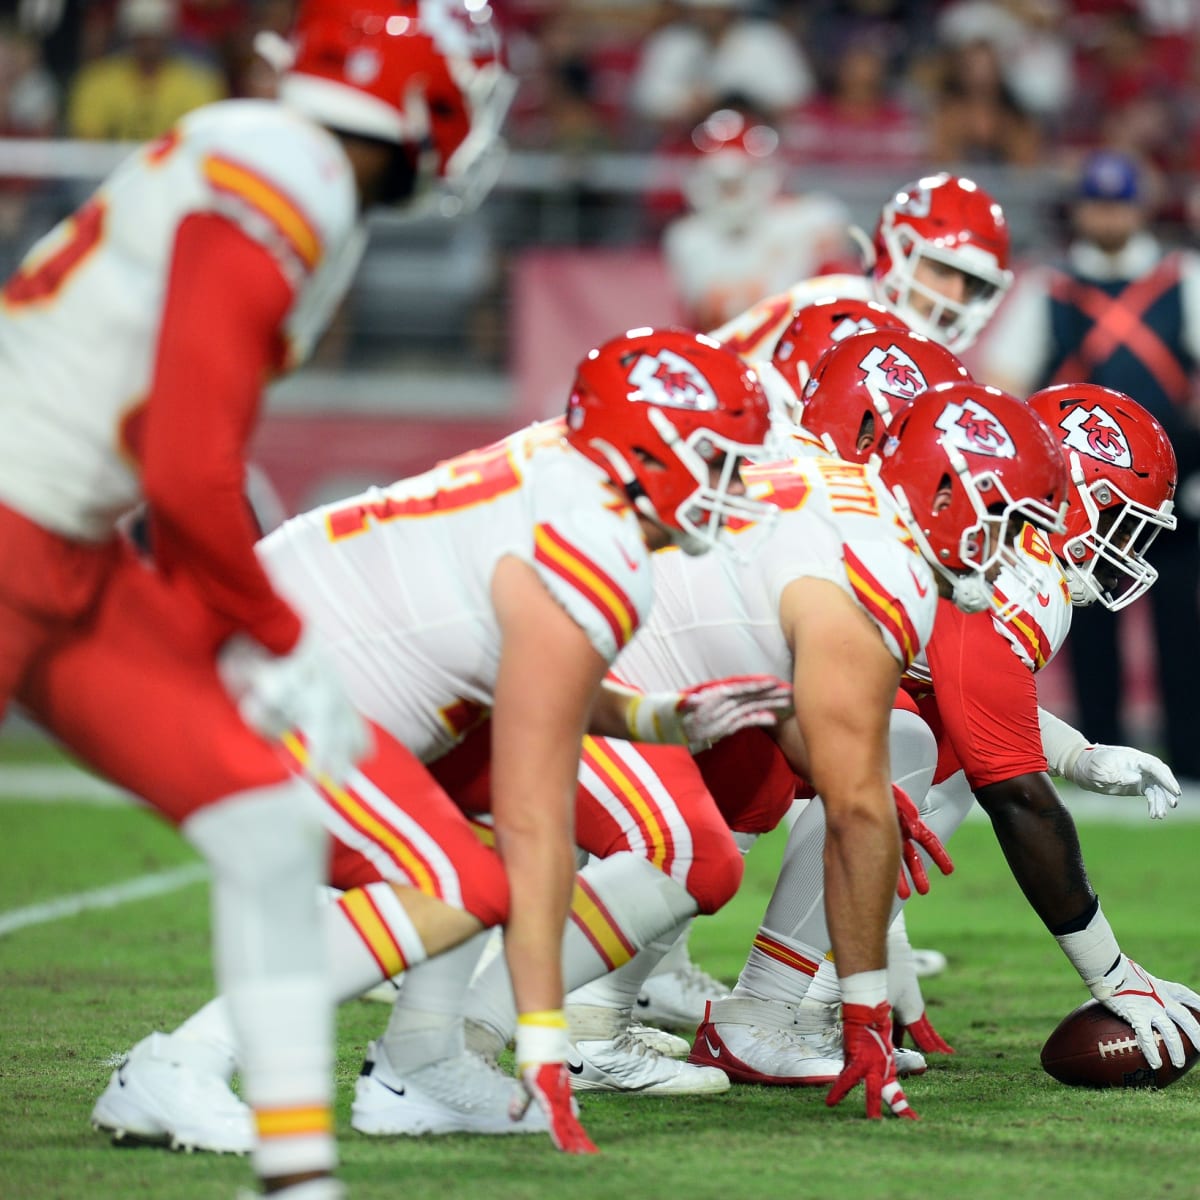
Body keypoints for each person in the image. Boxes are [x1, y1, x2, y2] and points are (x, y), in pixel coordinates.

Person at [0, 1, 516, 1195]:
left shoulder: (269, 154)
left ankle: (297, 1176)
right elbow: (187, 463)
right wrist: (272, 639)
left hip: (71, 549)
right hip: (24, 528)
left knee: (266, 823)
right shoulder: (289, 169)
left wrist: (230, 629)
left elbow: (168, 453)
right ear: (415, 88)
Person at [89, 327, 789, 1155]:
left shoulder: (564, 476)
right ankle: (183, 1062)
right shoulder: (596, 546)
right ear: (649, 445)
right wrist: (539, 1042)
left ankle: (419, 1064)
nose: (736, 484)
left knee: (468, 865)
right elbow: (535, 817)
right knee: (462, 881)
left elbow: (528, 667)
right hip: (272, 683)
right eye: (719, 459)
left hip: (285, 661)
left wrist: (651, 720)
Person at [686, 371, 1200, 1086]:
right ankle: (741, 1013)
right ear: (1078, 496)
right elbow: (1016, 795)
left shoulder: (973, 524)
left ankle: (806, 1004)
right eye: (1120, 520)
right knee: (904, 747)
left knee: (933, 745)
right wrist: (1114, 975)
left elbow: (963, 698)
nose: (1124, 547)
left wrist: (1077, 755)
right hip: (689, 688)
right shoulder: (1010, 566)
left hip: (729, 678)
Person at [982, 149, 1200, 784]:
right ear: (1080, 208)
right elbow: (1004, 383)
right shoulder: (1049, 286)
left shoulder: (1181, 276)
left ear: (1139, 207)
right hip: (1075, 500)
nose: (1107, 215)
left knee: (1180, 630)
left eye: (1118, 202)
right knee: (1082, 630)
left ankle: (1188, 758)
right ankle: (1101, 757)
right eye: (1098, 202)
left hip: (1170, 487)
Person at [661, 106, 852, 331]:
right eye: (723, 186)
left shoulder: (799, 218)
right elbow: (717, 312)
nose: (731, 195)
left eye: (738, 184)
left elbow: (832, 223)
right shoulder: (688, 237)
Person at [66, 0, 226, 141]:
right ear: (128, 35)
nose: (149, 44)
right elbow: (88, 145)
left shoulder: (197, 83)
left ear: (169, 35)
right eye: (142, 35)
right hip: (115, 173)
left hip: (175, 173)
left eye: (155, 34)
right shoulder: (97, 82)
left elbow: (204, 142)